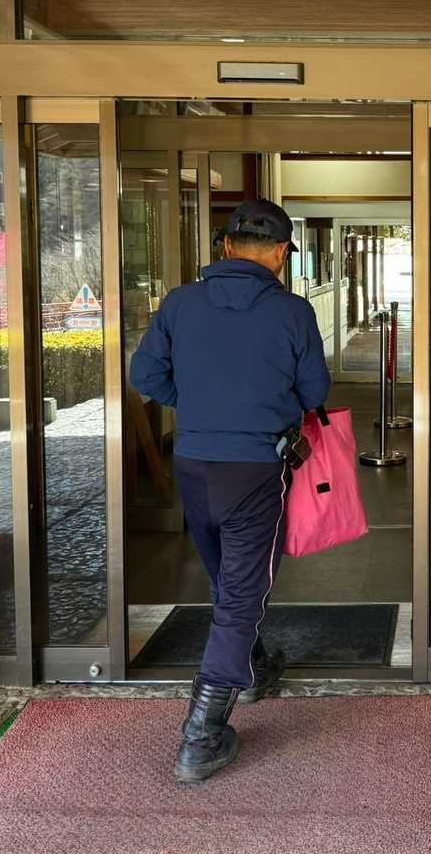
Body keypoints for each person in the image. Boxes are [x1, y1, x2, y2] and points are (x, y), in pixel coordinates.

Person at [129, 198, 331, 783]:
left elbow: (146, 376)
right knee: (242, 591)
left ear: (224, 247)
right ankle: (202, 734)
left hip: (193, 464)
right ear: (281, 253)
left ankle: (255, 665)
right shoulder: (292, 312)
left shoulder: (180, 303)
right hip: (255, 469)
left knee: (228, 577)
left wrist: (199, 405)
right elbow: (315, 390)